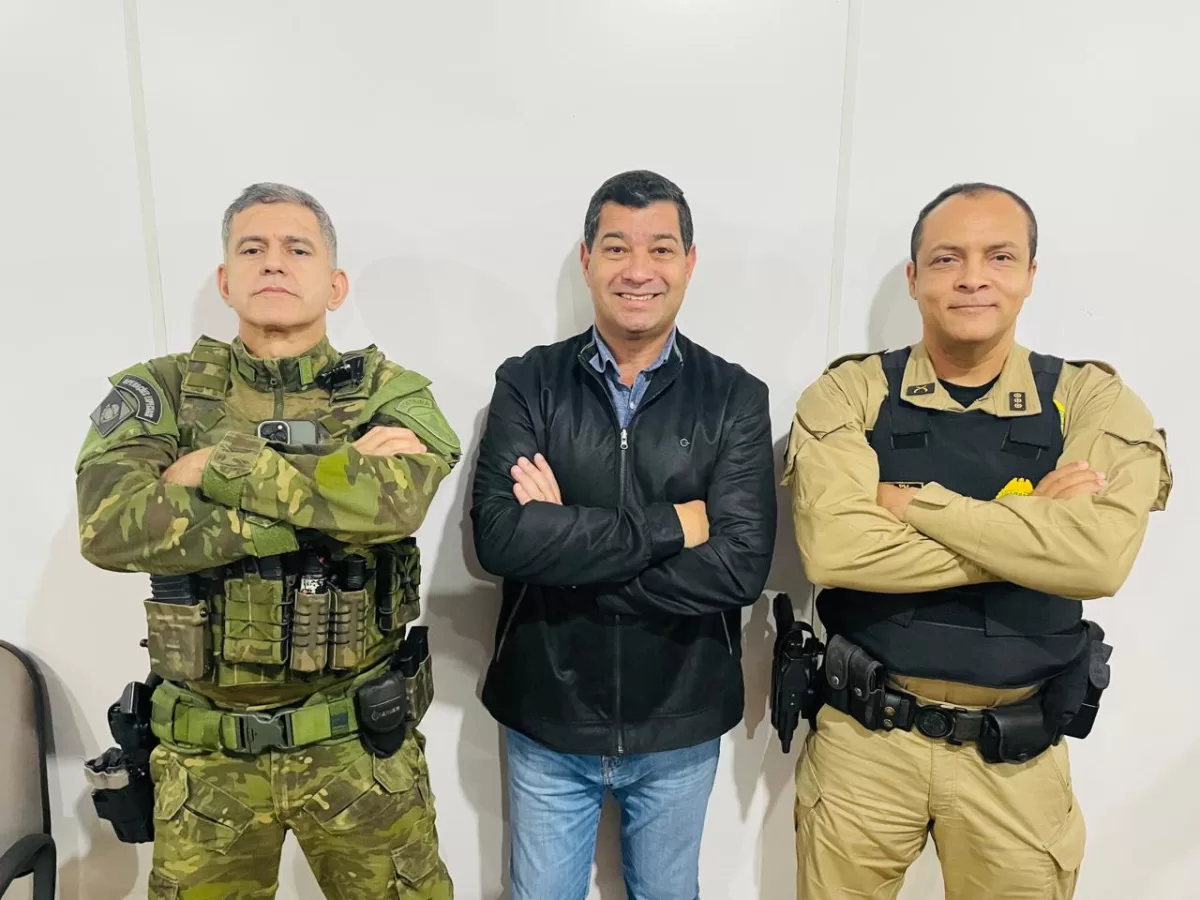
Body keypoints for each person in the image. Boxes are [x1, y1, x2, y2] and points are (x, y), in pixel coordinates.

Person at [782, 182, 1173, 900]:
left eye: (999, 256)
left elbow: (1097, 559)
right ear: (914, 277)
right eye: (946, 258)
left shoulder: (1092, 398)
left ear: (1029, 275)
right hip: (865, 749)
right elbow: (836, 549)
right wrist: (1030, 529)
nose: (972, 277)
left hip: (1018, 759)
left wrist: (912, 504)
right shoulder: (851, 392)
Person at [75, 183, 458, 900]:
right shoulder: (160, 391)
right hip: (204, 761)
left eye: (297, 249)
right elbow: (110, 526)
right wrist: (329, 494)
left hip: (359, 749)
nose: (274, 262)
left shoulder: (389, 392)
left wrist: (218, 467)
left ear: (335, 284)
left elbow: (397, 502)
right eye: (253, 248)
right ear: (225, 280)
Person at [470, 169, 776, 900]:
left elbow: (739, 570)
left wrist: (565, 554)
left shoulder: (735, 396)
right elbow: (501, 541)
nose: (638, 270)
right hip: (548, 715)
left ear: (689, 263)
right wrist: (675, 525)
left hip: (681, 718)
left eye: (660, 249)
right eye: (616, 248)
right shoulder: (528, 382)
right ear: (587, 260)